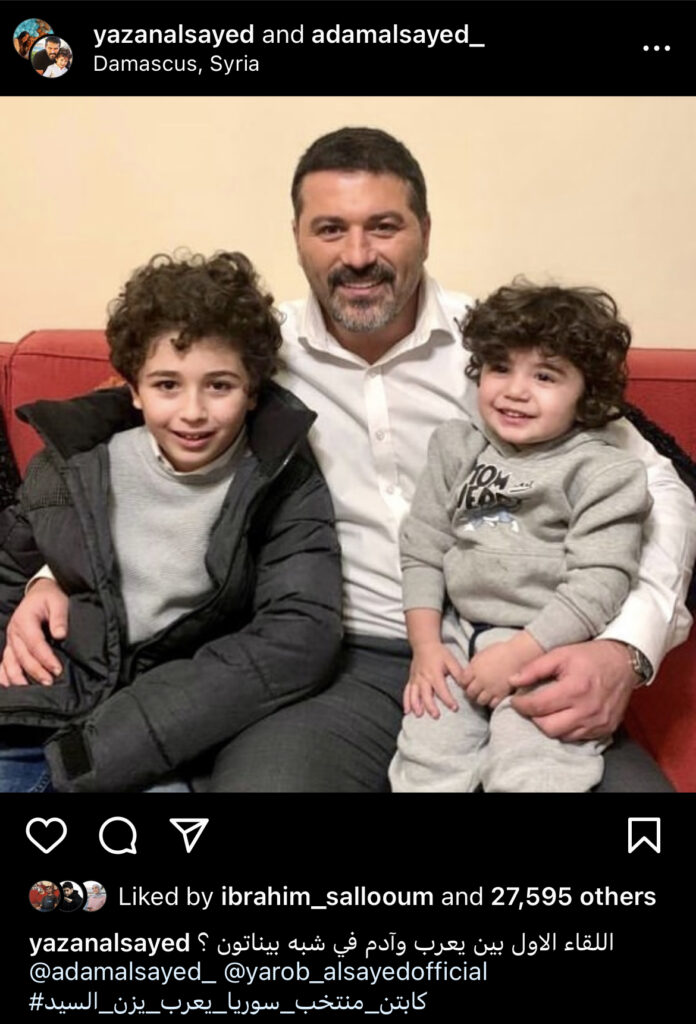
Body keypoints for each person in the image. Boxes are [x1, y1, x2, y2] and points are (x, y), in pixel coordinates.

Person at [4, 128, 694, 791]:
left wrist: (624, 649)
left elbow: (660, 485)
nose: (358, 254)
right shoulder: (248, 353)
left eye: (384, 226)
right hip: (340, 665)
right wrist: (53, 573)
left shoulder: (503, 347)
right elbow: (129, 453)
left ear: (426, 229)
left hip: (525, 641)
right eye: (330, 229)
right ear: (297, 238)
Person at [0, 251, 341, 792]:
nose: (192, 412)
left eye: (220, 386)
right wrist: (39, 585)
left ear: (253, 390)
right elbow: (9, 570)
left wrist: (102, 748)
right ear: (133, 389)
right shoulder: (74, 464)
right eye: (167, 385)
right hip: (36, 716)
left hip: (160, 739)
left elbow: (298, 633)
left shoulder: (281, 478)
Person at [389, 281, 649, 792]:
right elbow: (422, 549)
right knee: (427, 748)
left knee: (534, 762)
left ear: (587, 392)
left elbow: (599, 584)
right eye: (500, 368)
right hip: (456, 635)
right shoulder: (456, 446)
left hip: (550, 645)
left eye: (545, 376)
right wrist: (425, 647)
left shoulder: (604, 472)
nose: (515, 390)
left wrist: (520, 653)